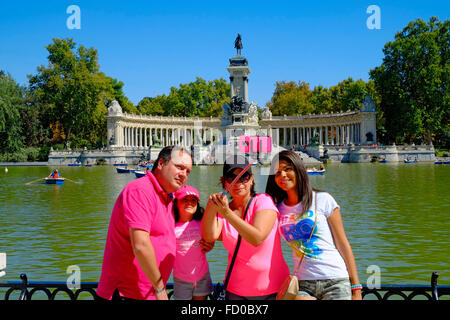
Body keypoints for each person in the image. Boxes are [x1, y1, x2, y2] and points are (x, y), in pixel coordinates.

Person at [97, 146, 193, 300]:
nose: (183, 174)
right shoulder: (140, 191)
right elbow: (141, 245)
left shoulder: (168, 197)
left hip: (145, 294)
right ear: (161, 163)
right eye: (179, 167)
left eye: (187, 171)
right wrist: (160, 288)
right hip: (125, 294)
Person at [265, 150, 362, 300]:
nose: (282, 175)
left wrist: (356, 287)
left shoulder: (323, 199)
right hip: (302, 283)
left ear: (298, 170)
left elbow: (342, 243)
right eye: (277, 173)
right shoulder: (276, 209)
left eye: (287, 169)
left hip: (335, 279)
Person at [202, 154, 289, 300]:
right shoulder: (224, 210)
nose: (239, 183)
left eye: (244, 177)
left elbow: (257, 238)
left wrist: (227, 213)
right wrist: (211, 206)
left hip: (272, 289)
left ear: (251, 179)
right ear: (224, 182)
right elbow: (209, 236)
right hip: (235, 290)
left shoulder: (263, 201)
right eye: (232, 178)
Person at [172, 185, 213, 300]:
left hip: (202, 276)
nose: (189, 202)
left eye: (193, 200)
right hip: (181, 279)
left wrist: (211, 244)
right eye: (185, 199)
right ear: (176, 203)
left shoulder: (202, 222)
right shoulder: (171, 226)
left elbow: (212, 237)